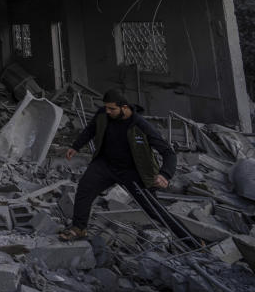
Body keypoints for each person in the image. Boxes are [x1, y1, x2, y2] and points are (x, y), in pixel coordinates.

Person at [60, 90, 201, 248]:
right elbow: (91, 130)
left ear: (124, 107)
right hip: (105, 164)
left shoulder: (141, 125)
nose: (108, 111)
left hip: (132, 171)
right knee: (84, 190)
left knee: (154, 210)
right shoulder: (103, 114)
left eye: (112, 109)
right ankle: (79, 228)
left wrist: (165, 174)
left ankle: (192, 241)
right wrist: (76, 146)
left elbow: (168, 153)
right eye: (106, 108)